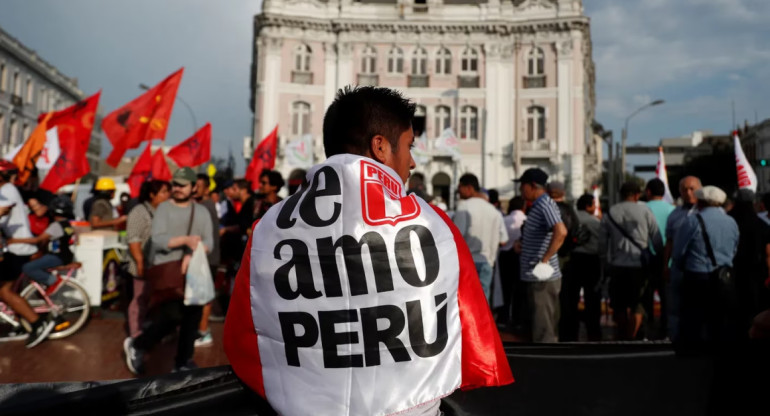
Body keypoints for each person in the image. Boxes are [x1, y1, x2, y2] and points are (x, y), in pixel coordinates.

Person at [224, 86, 512, 416]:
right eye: (408, 146)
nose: (413, 161)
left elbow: (244, 338)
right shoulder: (433, 224)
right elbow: (470, 334)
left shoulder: (268, 227)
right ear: (380, 147)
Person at [123, 167, 214, 374]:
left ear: (193, 187)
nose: (178, 189)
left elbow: (209, 242)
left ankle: (183, 361)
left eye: (183, 185)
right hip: (168, 273)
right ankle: (138, 345)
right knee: (170, 316)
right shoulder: (164, 209)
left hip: (194, 274)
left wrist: (193, 253)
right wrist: (186, 241)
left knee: (192, 318)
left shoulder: (201, 212)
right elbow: (158, 240)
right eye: (176, 184)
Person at [672, 186, 739, 352]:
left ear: (700, 202)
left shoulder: (692, 221)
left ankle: (693, 349)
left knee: (693, 315)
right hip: (724, 276)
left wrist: (680, 267)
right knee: (719, 315)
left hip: (696, 274)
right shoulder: (731, 221)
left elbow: (679, 251)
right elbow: (734, 248)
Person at [600, 182, 663, 341]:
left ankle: (622, 336)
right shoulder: (645, 211)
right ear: (637, 195)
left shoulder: (611, 212)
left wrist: (605, 264)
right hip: (639, 266)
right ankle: (633, 336)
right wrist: (659, 260)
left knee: (619, 304)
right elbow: (656, 239)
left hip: (617, 265)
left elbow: (602, 244)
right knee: (638, 305)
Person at [0, 160, 53, 348]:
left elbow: (2, 210)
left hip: (17, 249)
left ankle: (38, 323)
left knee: (4, 291)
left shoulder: (6, 192)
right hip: (15, 247)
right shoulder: (9, 190)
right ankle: (22, 322)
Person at [515, 168, 567, 343]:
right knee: (540, 324)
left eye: (522, 186)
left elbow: (561, 231)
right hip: (536, 276)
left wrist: (544, 260)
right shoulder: (538, 205)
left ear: (532, 186)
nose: (520, 190)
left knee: (543, 328)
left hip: (542, 277)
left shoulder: (545, 203)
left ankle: (547, 365)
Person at [125, 180, 170, 339]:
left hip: (159, 265)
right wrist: (140, 263)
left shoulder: (164, 212)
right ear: (152, 195)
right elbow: (133, 240)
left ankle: (152, 329)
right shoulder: (139, 212)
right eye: (163, 192)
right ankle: (136, 334)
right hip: (143, 264)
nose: (167, 195)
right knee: (139, 299)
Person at [453, 173, 509, 301]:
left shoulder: (464, 207)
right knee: (482, 303)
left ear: (469, 188)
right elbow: (504, 240)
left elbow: (456, 237)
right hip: (487, 262)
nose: (458, 191)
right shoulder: (494, 211)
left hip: (467, 263)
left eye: (460, 187)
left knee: (467, 302)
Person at [663, 176, 702, 341]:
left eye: (692, 189)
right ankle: (676, 338)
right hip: (679, 268)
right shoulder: (674, 215)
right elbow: (669, 242)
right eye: (684, 189)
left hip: (700, 268)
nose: (688, 192)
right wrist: (665, 266)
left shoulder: (707, 212)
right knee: (675, 306)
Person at [727, 189, 770, 335]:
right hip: (756, 273)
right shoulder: (760, 224)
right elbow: (767, 253)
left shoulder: (728, 221)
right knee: (754, 307)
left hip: (731, 271)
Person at [15, 197, 77, 294]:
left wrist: (14, 241)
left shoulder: (56, 225)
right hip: (66, 256)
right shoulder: (67, 224)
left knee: (27, 267)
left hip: (57, 257)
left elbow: (38, 239)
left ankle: (52, 281)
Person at [563, 193, 602, 341]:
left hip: (572, 260)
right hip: (592, 260)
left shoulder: (571, 219)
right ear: (588, 206)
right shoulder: (595, 222)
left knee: (571, 298)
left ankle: (570, 333)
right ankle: (593, 332)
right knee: (592, 298)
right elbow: (602, 244)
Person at [547, 181, 580, 341]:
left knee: (552, 297)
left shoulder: (547, 209)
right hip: (568, 258)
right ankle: (569, 332)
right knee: (568, 296)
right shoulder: (569, 210)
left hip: (551, 257)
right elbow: (576, 232)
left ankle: (555, 331)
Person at [644, 178, 675, 339]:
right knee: (665, 296)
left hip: (646, 258)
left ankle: (648, 326)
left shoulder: (642, 208)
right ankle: (664, 328)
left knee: (647, 294)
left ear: (648, 191)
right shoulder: (672, 210)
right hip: (667, 259)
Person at [193, 173, 221, 347]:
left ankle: (203, 332)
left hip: (207, 258)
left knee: (204, 297)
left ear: (206, 189)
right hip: (205, 258)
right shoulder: (204, 205)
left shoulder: (206, 207)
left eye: (198, 186)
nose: (194, 189)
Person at [498, 196, 526, 328]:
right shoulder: (526, 220)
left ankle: (503, 317)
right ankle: (517, 319)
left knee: (505, 288)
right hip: (520, 256)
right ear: (523, 206)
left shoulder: (504, 220)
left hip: (505, 255)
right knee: (519, 289)